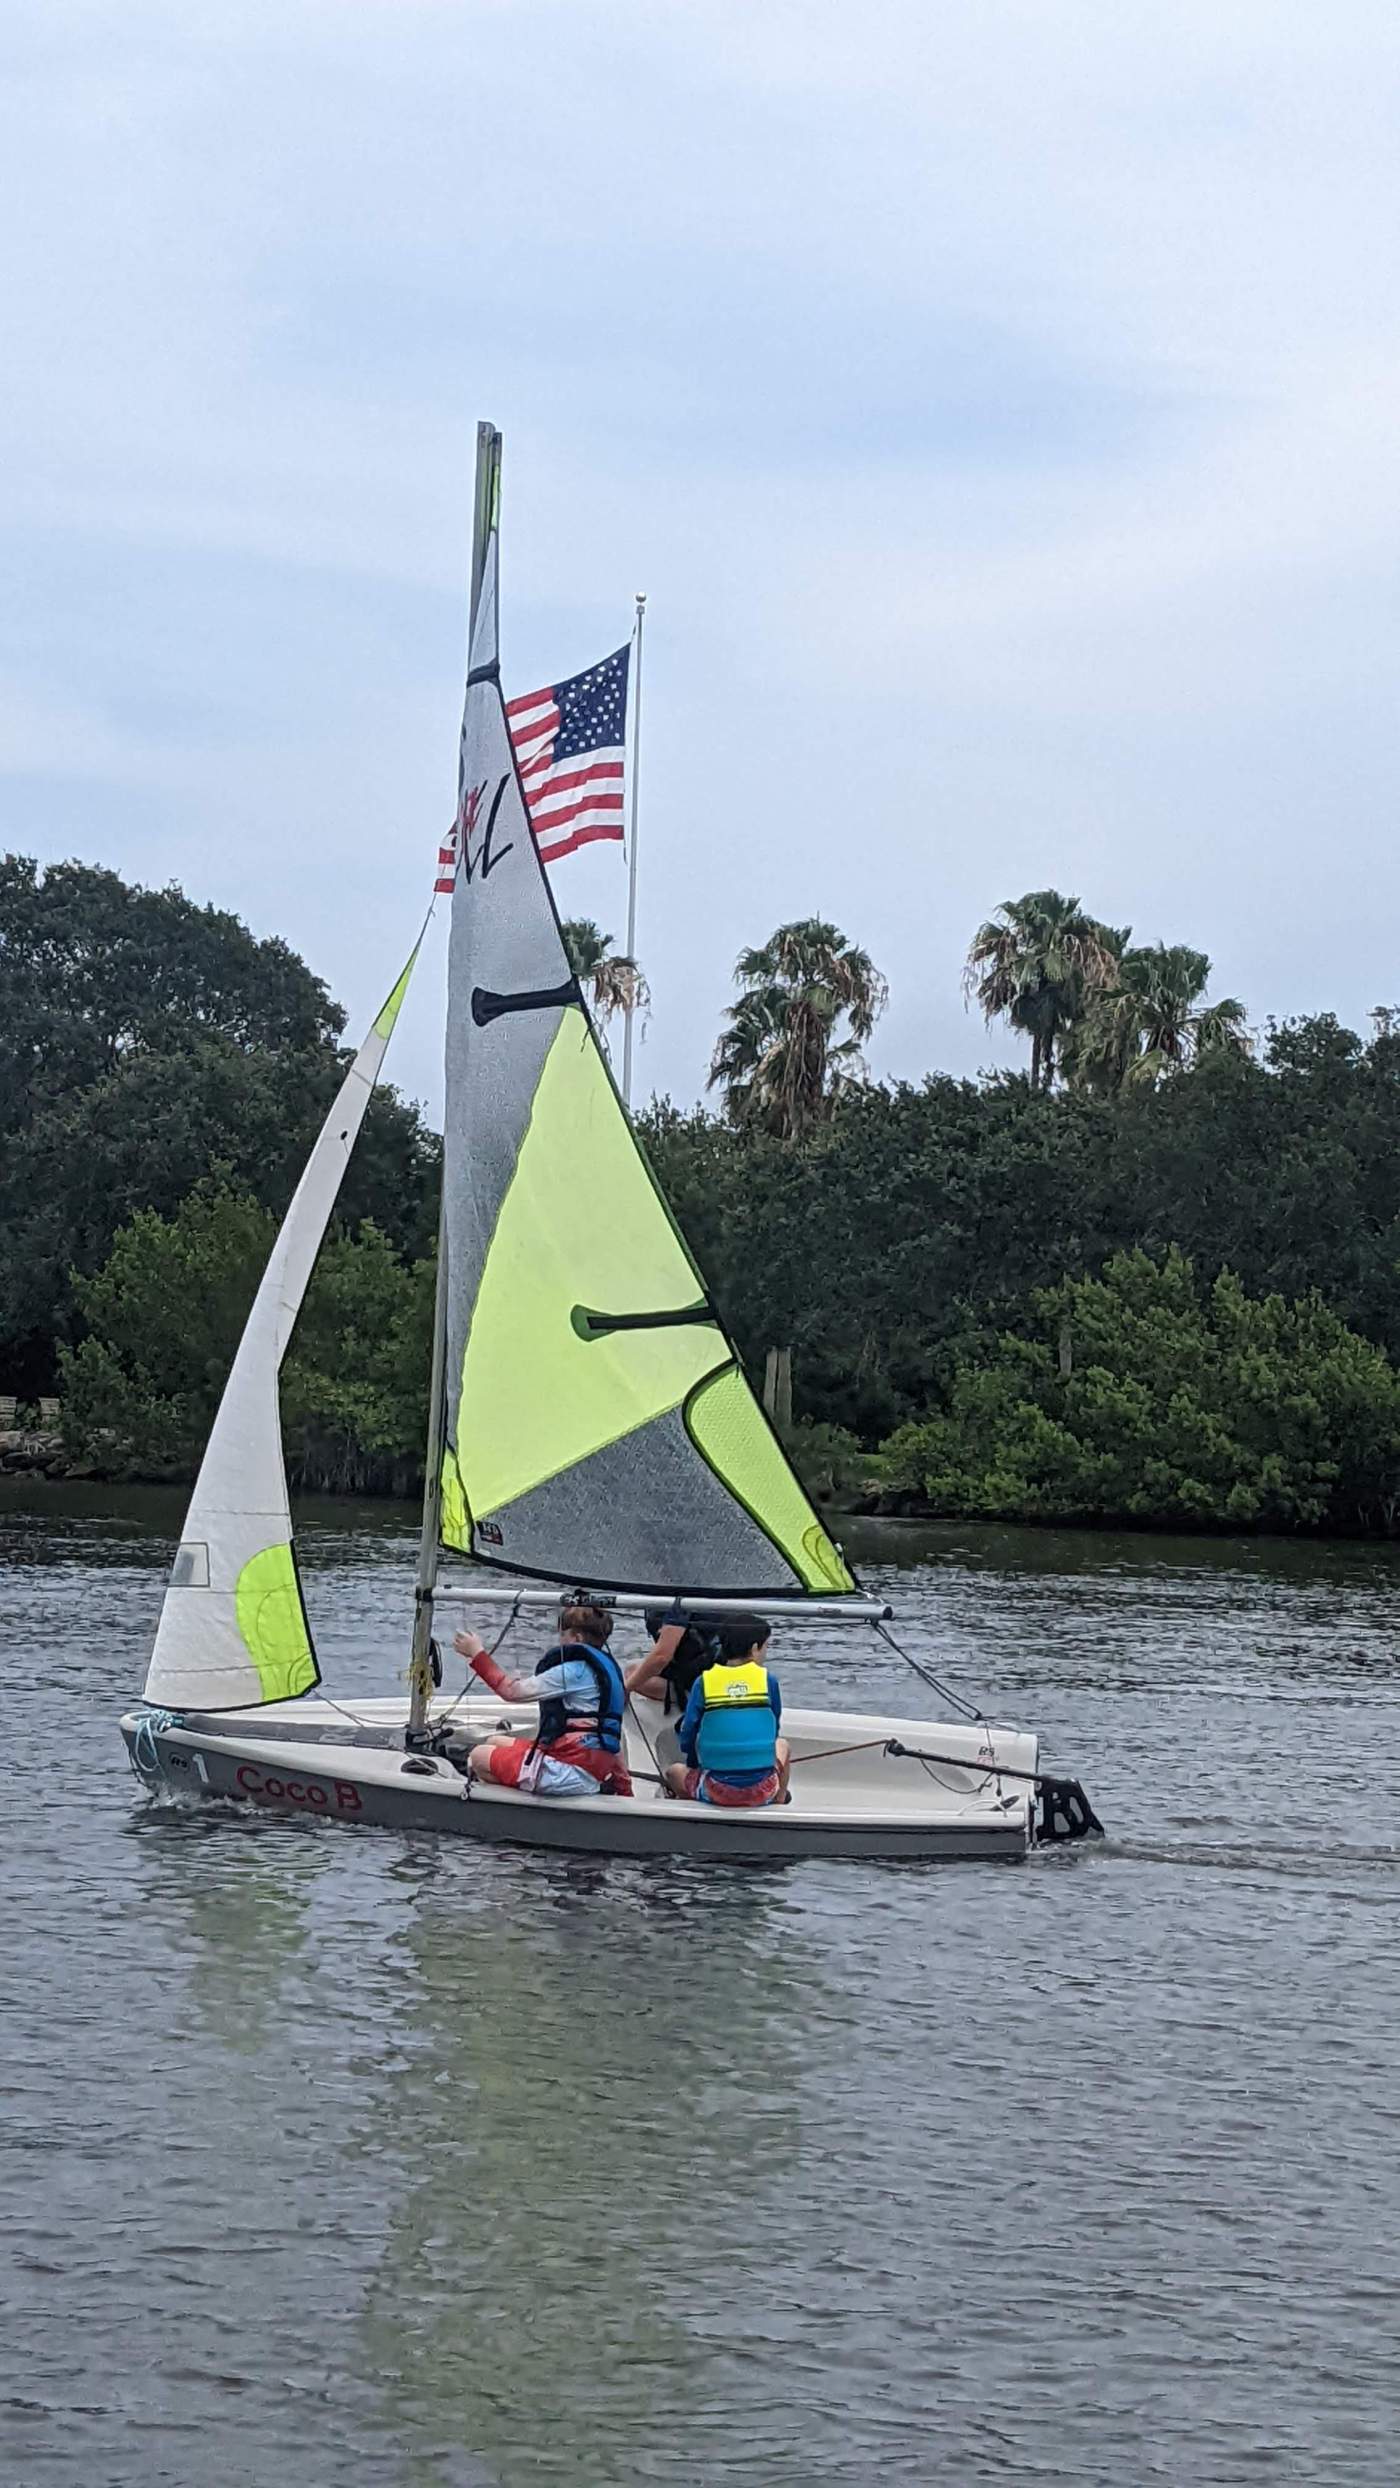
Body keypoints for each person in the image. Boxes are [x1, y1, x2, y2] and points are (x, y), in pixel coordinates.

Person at [453, 1603, 634, 1800]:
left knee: (479, 1756)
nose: (560, 1640)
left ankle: (518, 1806)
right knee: (495, 1741)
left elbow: (512, 1692)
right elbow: (610, 1737)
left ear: (577, 1638)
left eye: (562, 1634)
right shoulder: (609, 1672)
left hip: (571, 1773)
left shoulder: (573, 1672)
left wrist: (476, 1653)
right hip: (587, 1766)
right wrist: (625, 1788)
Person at [664, 1613, 790, 1809]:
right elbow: (773, 1729)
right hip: (761, 1790)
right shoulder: (768, 1681)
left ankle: (695, 1805)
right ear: (755, 1648)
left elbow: (688, 1731)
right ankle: (779, 1800)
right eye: (766, 1646)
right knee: (783, 1745)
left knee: (673, 1772)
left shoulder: (704, 1682)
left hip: (716, 1790)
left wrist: (693, 1762)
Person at [624, 1604, 727, 1716]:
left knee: (631, 1674)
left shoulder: (679, 1604)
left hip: (702, 1678)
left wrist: (625, 1690)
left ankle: (693, 1699)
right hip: (720, 1666)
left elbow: (661, 1657)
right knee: (633, 1670)